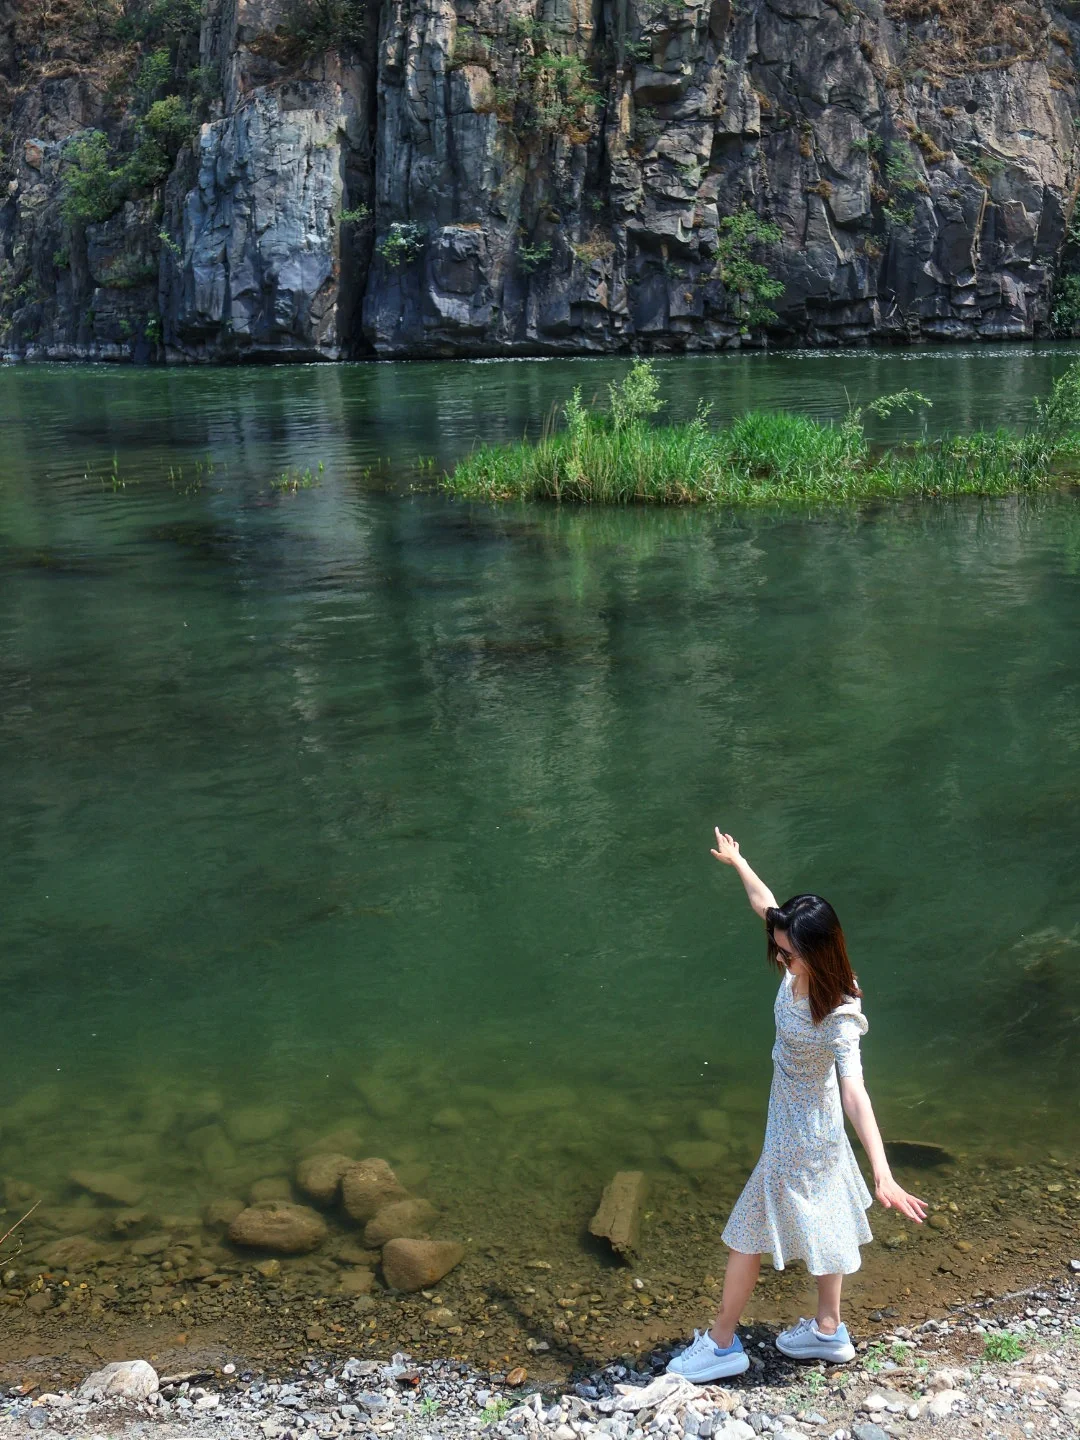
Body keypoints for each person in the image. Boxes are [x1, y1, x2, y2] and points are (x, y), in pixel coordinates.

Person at [668, 830, 928, 1382]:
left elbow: (855, 1090)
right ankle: (828, 1331)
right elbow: (765, 904)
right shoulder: (799, 964)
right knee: (827, 1218)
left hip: (800, 1135)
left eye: (788, 952)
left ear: (818, 950)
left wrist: (883, 1171)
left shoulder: (838, 1015)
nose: (780, 957)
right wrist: (739, 862)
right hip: (809, 1125)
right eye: (779, 948)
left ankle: (721, 1345)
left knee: (745, 1234)